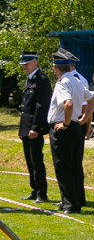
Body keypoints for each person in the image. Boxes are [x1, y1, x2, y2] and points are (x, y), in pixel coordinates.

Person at [46, 49, 94, 213]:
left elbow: (68, 104)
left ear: (56, 68)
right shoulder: (76, 80)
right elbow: (93, 101)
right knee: (74, 165)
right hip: (75, 126)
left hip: (64, 128)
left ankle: (69, 204)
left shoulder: (63, 83)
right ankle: (74, 200)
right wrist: (82, 119)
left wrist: (66, 123)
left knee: (63, 166)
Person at [17, 51, 52, 203]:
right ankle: (34, 188)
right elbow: (26, 106)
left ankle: (42, 192)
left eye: (27, 63)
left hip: (34, 127)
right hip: (26, 126)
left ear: (35, 63)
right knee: (29, 160)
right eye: (23, 64)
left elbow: (41, 105)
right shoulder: (29, 80)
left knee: (36, 160)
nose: (24, 66)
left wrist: (36, 127)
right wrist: (22, 129)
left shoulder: (42, 80)